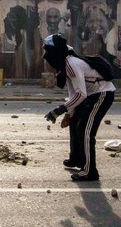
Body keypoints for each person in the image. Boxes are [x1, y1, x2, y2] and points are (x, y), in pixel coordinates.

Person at [43, 34, 115, 182]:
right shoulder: (66, 65)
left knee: (85, 131)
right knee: (75, 122)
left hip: (102, 94)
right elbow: (73, 93)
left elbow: (81, 94)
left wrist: (59, 110)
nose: (46, 56)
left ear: (56, 52)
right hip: (91, 95)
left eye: (49, 51)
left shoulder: (71, 64)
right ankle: (76, 159)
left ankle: (90, 171)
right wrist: (69, 113)